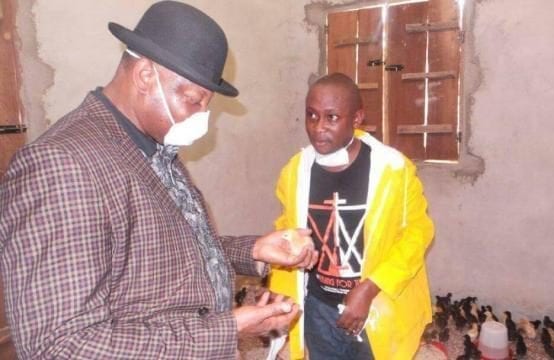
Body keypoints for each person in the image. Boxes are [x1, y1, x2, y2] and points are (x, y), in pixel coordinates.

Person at [0, 2, 317, 359]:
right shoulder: (63, 166)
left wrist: (253, 250)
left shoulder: (150, 142)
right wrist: (231, 327)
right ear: (145, 76)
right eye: (194, 101)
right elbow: (60, 346)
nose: (202, 119)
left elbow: (153, 252)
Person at [268, 73, 435, 359]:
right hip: (318, 305)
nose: (318, 127)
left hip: (377, 305)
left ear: (356, 119)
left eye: (331, 117)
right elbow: (287, 230)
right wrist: (280, 286)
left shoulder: (392, 170)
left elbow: (417, 235)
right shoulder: (296, 171)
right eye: (311, 115)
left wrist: (369, 289)